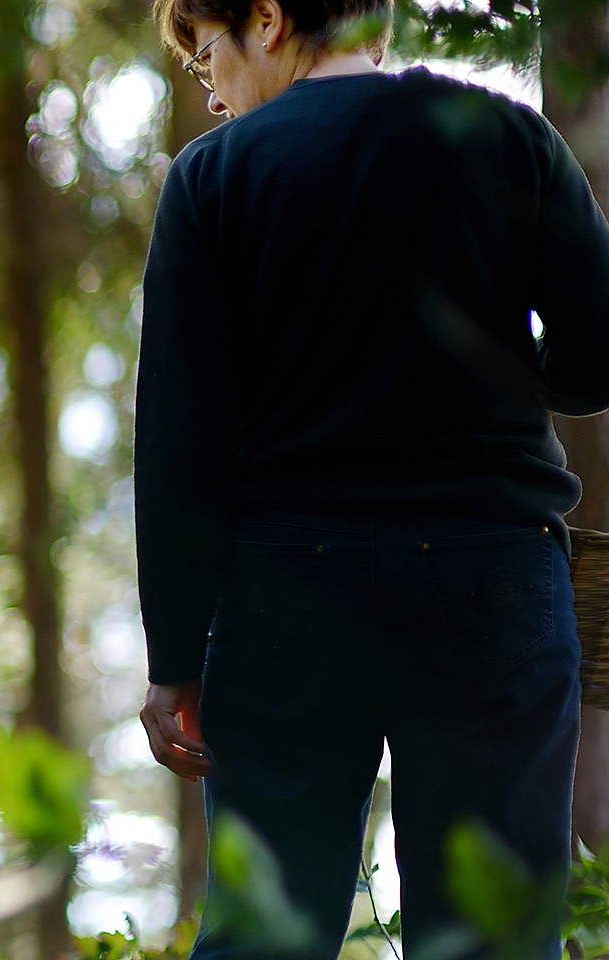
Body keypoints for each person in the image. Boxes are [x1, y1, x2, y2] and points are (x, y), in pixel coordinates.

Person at [134, 0, 609, 952]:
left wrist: (175, 661)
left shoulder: (215, 177)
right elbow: (599, 352)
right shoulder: (507, 134)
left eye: (208, 59)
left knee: (266, 936)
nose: (215, 91)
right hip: (493, 588)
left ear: (266, 19)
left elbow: (180, 442)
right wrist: (526, 377)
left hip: (286, 604)